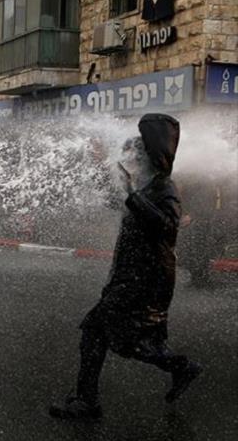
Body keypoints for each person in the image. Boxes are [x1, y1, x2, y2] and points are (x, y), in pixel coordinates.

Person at [50, 114, 202, 420]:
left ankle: (86, 402)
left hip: (146, 278)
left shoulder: (165, 188)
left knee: (96, 330)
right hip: (130, 274)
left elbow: (167, 225)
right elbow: (117, 201)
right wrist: (106, 173)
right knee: (129, 341)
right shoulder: (146, 185)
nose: (133, 158)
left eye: (139, 153)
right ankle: (182, 367)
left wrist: (132, 194)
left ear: (153, 154)